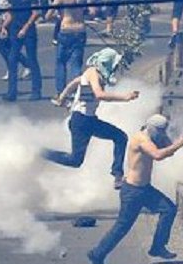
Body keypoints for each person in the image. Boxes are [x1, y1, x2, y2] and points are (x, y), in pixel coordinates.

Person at [87, 114, 183, 264]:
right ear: (151, 128)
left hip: (144, 189)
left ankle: (158, 247)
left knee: (169, 209)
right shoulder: (141, 139)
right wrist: (179, 144)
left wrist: (176, 141)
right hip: (133, 191)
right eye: (160, 131)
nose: (161, 134)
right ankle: (97, 254)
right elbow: (158, 155)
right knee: (122, 227)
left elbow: (167, 150)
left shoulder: (152, 137)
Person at [43, 47, 137, 189]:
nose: (116, 67)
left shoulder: (94, 74)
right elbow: (99, 95)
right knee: (75, 160)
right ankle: (43, 153)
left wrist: (62, 98)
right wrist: (125, 97)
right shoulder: (93, 72)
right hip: (81, 121)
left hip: (89, 120)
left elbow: (74, 82)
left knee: (120, 137)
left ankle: (117, 174)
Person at [0, 0, 42, 102]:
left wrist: (26, 27)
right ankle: (12, 92)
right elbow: (11, 12)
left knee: (32, 59)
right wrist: (4, 27)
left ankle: (36, 91)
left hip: (28, 30)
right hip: (15, 28)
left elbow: (36, 12)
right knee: (12, 59)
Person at [45, 0, 86, 94]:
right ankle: (76, 92)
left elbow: (48, 15)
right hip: (80, 31)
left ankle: (61, 92)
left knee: (61, 62)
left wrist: (58, 16)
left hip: (66, 31)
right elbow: (87, 11)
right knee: (76, 64)